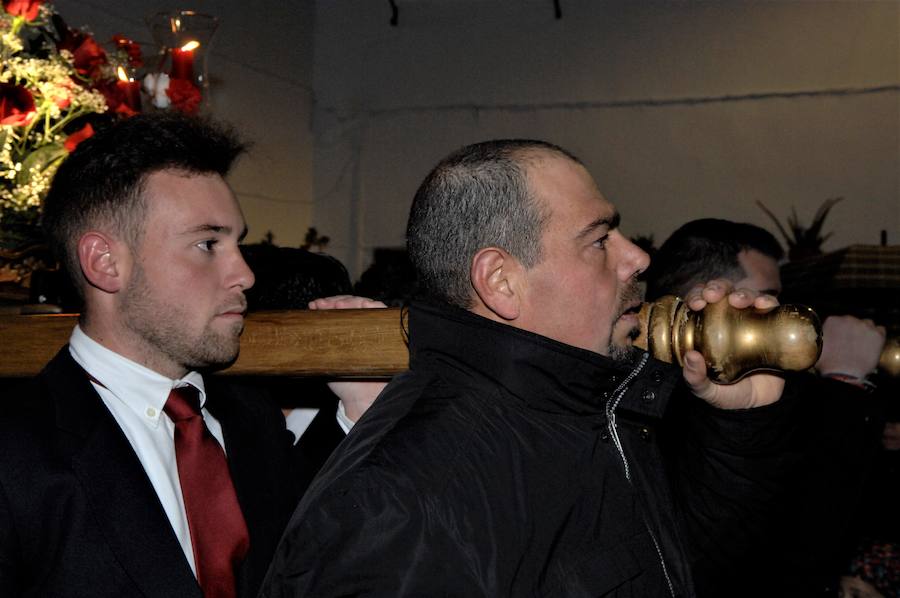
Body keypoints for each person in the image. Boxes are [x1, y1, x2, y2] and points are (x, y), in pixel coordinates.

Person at [259, 139, 804, 596]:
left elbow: (680, 575)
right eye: (599, 240)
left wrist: (741, 424)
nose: (637, 258)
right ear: (501, 281)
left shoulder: (592, 411)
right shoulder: (401, 505)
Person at [0, 113, 381, 598]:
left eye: (237, 244)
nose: (245, 275)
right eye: (207, 244)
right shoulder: (16, 451)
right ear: (105, 262)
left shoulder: (250, 419)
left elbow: (324, 566)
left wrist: (364, 406)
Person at [645, 218, 887, 596]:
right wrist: (844, 383)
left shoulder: (752, 385)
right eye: (764, 296)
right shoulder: (662, 404)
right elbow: (798, 547)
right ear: (704, 298)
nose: (777, 312)